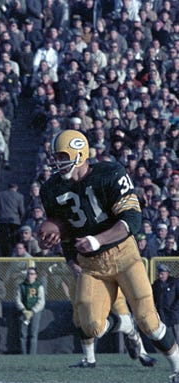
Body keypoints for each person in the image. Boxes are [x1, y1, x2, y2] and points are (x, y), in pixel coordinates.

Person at [39, 130, 179, 379]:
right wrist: (69, 257)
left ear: (80, 154)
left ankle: (177, 367)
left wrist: (96, 240)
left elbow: (132, 220)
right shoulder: (51, 189)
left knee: (149, 321)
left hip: (124, 255)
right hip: (91, 265)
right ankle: (124, 324)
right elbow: (65, 232)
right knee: (90, 325)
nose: (56, 162)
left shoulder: (109, 173)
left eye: (62, 156)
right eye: (55, 156)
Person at [15, 267, 45, 354]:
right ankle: (23, 354)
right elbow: (17, 299)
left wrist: (33, 311)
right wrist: (23, 310)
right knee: (22, 334)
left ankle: (32, 355)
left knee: (33, 334)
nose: (30, 276)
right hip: (23, 313)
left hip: (34, 313)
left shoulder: (39, 286)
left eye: (32, 274)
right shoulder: (21, 286)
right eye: (28, 274)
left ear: (36, 275)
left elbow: (41, 301)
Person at [153, 264, 179, 342]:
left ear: (167, 273)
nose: (160, 276)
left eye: (162, 274)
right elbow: (154, 297)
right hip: (162, 313)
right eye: (159, 274)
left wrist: (174, 307)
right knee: (164, 335)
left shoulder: (174, 282)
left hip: (173, 313)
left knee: (176, 333)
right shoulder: (156, 284)